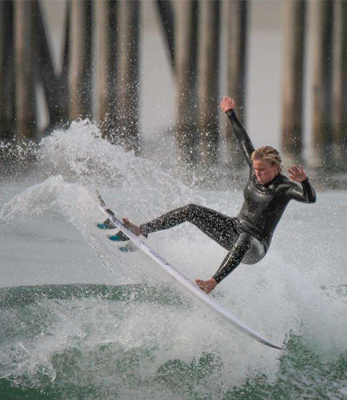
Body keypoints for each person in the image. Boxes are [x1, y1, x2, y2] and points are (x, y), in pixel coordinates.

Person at [119, 96, 316, 294]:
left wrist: (304, 181)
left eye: (262, 170)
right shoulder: (255, 170)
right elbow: (243, 140)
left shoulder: (284, 187)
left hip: (255, 246)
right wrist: (230, 113)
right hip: (233, 229)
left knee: (245, 239)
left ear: (275, 167)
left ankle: (211, 283)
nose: (257, 174)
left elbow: (310, 198)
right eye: (255, 169)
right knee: (191, 210)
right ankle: (141, 229)